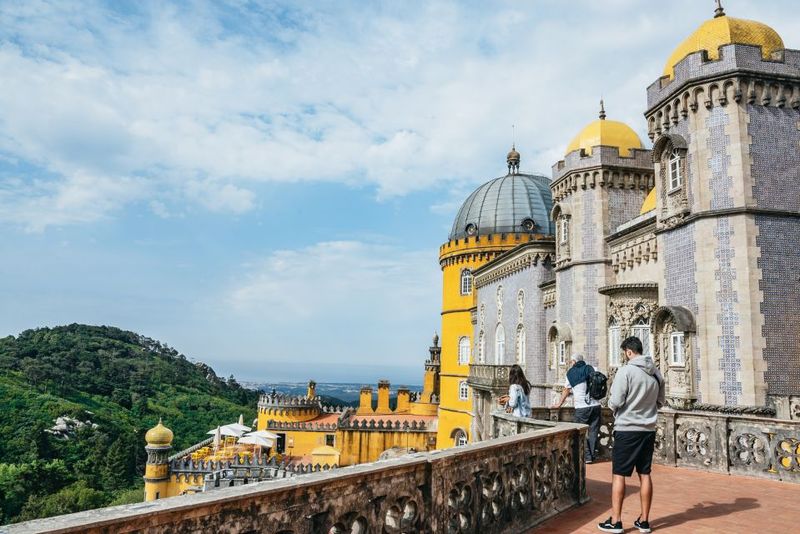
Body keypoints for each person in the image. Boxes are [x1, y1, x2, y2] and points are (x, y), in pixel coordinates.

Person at [598, 336, 665, 534]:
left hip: (627, 430)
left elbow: (615, 400)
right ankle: (644, 521)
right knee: (645, 474)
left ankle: (616, 521)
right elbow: (660, 402)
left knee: (619, 474)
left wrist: (616, 407)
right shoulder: (656, 374)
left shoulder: (626, 371)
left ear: (628, 352)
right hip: (648, 430)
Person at [550, 353, 601, 463]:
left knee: (579, 431)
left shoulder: (571, 373)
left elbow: (566, 390)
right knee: (593, 431)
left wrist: (559, 404)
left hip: (582, 407)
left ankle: (586, 456)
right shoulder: (592, 368)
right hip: (596, 405)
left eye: (571, 361)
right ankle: (591, 456)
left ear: (574, 361)